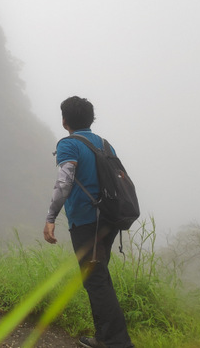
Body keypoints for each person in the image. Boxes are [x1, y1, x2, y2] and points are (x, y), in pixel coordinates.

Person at [43, 96, 134, 348]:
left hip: (87, 221)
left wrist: (51, 218)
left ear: (64, 121)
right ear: (90, 119)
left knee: (94, 278)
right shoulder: (104, 144)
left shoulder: (68, 144)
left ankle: (115, 342)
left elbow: (64, 183)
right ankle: (105, 337)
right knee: (98, 275)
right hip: (109, 218)